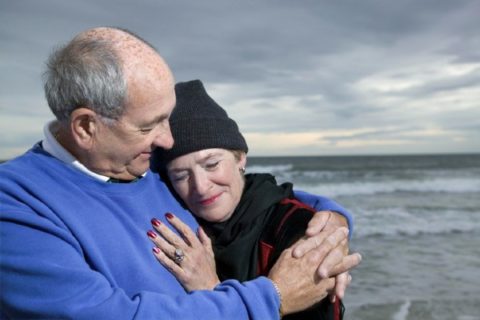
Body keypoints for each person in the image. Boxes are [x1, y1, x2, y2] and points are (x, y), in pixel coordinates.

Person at [0, 27, 360, 319]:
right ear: (85, 127)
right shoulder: (17, 204)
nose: (167, 140)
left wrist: (329, 220)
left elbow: (246, 193)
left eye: (167, 118)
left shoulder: (148, 163)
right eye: (149, 126)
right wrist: (271, 299)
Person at [149, 80, 361, 319]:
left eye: (212, 164)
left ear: (240, 158)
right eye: (181, 175)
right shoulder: (178, 227)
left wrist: (212, 291)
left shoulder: (299, 229)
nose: (200, 186)